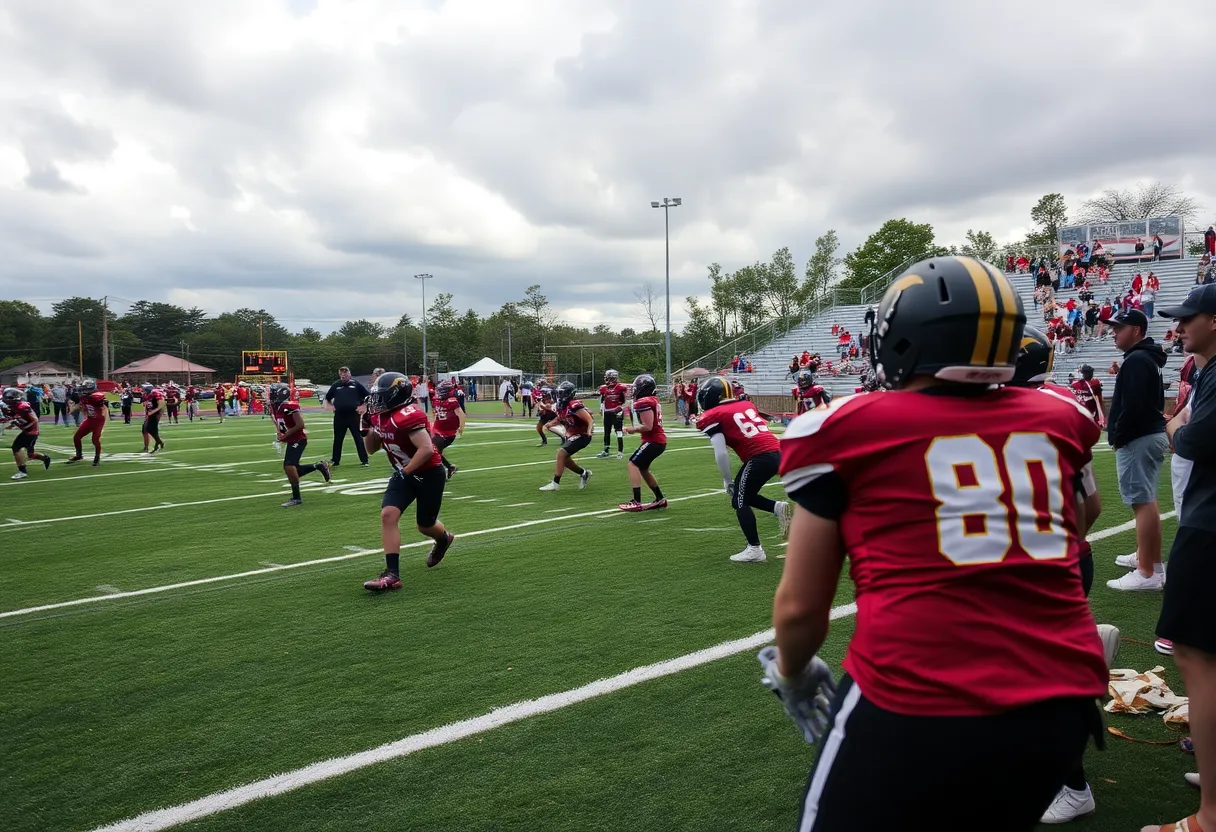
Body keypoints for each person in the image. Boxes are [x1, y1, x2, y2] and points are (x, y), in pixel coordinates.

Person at [771, 256, 1107, 830]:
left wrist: (792, 672)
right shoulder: (1059, 417)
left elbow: (803, 606)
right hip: (1063, 700)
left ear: (902, 338)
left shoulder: (843, 428)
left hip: (916, 697)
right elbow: (1079, 523)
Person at [1143, 284, 1216, 831]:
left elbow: (1193, 440)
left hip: (1210, 524)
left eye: (1189, 318)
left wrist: (1177, 424)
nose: (1180, 327)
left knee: (1196, 655)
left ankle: (1210, 816)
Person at [360, 372, 453, 591]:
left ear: (395, 396)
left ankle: (444, 539)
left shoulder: (408, 414)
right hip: (405, 473)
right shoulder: (380, 415)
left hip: (429, 474)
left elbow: (426, 449)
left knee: (425, 525)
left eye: (381, 396)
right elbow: (371, 449)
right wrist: (366, 428)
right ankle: (392, 574)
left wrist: (406, 471)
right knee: (388, 515)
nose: (376, 402)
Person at [1104, 308, 1170, 592]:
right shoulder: (1146, 358)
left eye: (1120, 327)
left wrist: (1118, 435)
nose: (1114, 332)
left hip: (1139, 437)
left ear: (1137, 330)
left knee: (1142, 502)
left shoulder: (1137, 360)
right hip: (1149, 434)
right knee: (1148, 500)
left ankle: (1146, 572)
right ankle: (1150, 562)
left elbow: (1132, 406)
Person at [696, 376, 790, 563]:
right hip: (778, 452)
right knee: (744, 494)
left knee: (739, 499)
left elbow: (721, 452)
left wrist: (726, 479)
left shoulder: (713, 415)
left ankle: (755, 550)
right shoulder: (745, 404)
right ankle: (777, 508)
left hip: (760, 456)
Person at [269, 383, 331, 507]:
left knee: (289, 466)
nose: (271, 395)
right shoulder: (276, 407)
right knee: (294, 469)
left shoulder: (288, 406)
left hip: (298, 440)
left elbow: (300, 424)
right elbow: (280, 423)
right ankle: (318, 466)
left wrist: (285, 435)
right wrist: (280, 435)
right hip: (292, 440)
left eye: (273, 393)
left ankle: (296, 498)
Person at [618, 374, 667, 512]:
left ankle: (636, 501)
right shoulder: (652, 399)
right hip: (656, 440)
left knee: (632, 464)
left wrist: (631, 429)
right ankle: (660, 499)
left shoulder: (644, 402)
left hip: (654, 440)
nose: (634, 390)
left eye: (637, 388)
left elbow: (648, 426)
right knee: (643, 468)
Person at [538, 381, 593, 492]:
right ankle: (584, 473)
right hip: (572, 434)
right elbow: (560, 418)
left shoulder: (574, 405)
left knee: (561, 453)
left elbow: (589, 419)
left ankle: (555, 483)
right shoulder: (560, 406)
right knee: (565, 460)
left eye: (563, 393)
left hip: (582, 434)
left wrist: (589, 431)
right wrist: (550, 424)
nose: (560, 396)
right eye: (560, 393)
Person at [324, 366, 370, 468]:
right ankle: (335, 460)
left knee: (358, 438)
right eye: (341, 373)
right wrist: (330, 406)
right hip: (339, 416)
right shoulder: (336, 385)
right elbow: (327, 398)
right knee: (338, 438)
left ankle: (364, 460)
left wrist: (363, 406)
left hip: (353, 415)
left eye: (345, 373)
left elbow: (368, 396)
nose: (343, 375)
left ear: (349, 374)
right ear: (339, 374)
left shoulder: (356, 384)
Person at [4, 387, 51, 479]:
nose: (6, 399)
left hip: (31, 432)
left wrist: (25, 427)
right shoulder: (16, 406)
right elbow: (19, 417)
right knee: (31, 455)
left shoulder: (22, 406)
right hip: (29, 431)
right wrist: (14, 423)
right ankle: (45, 458)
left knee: (16, 448)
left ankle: (22, 471)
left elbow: (35, 419)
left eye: (9, 397)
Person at [67, 380, 109, 466]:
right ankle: (79, 455)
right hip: (90, 419)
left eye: (84, 388)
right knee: (76, 437)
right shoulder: (84, 397)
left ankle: (97, 457)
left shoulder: (96, 396)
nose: (82, 390)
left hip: (98, 420)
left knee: (95, 439)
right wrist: (72, 409)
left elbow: (102, 404)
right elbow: (80, 405)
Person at [430, 379, 465, 481]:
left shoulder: (452, 401)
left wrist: (461, 429)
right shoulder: (436, 400)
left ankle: (442, 471)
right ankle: (449, 467)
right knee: (432, 451)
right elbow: (435, 414)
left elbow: (461, 415)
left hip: (447, 433)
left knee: (432, 451)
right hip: (436, 430)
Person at [596, 369, 630, 459]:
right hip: (607, 411)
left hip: (617, 411)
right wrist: (601, 408)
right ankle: (606, 450)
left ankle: (620, 451)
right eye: (607, 378)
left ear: (614, 378)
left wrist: (621, 408)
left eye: (609, 378)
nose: (607, 380)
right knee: (606, 432)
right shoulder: (603, 388)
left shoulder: (621, 387)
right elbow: (602, 399)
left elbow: (627, 400)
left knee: (618, 431)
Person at [140, 383, 166, 453]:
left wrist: (155, 412)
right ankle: (147, 446)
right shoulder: (145, 395)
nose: (143, 390)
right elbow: (146, 405)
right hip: (149, 413)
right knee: (145, 430)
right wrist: (146, 413)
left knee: (151, 430)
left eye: (144, 389)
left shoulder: (155, 393)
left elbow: (161, 404)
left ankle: (160, 442)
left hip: (156, 414)